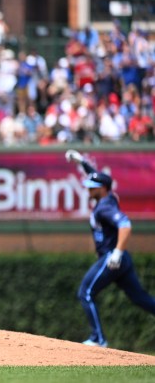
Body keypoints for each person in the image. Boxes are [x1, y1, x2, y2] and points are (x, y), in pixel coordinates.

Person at [65, 149, 155, 348]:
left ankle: (98, 339)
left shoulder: (105, 206)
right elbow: (96, 176)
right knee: (141, 299)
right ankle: (98, 338)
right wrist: (81, 161)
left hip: (112, 258)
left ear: (102, 189)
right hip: (122, 260)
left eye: (92, 187)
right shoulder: (110, 197)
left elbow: (125, 224)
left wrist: (117, 252)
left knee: (85, 293)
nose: (88, 189)